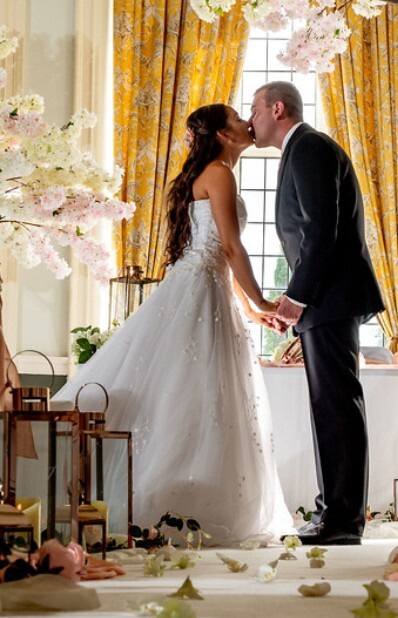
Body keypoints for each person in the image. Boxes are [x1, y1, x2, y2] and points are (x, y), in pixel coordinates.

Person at [53, 103, 292, 546]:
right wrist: (260, 298)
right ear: (222, 134)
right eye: (238, 118)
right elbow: (232, 248)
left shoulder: (214, 171)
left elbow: (217, 254)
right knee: (192, 391)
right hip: (200, 289)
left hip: (204, 284)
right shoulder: (220, 173)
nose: (246, 123)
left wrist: (252, 309)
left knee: (191, 392)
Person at [249, 82, 385, 545]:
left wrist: (297, 296)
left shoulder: (308, 148)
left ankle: (343, 521)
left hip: (329, 299)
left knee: (337, 407)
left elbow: (320, 230)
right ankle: (334, 513)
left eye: (255, 109)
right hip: (327, 300)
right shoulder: (303, 149)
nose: (251, 120)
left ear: (277, 108)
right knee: (329, 407)